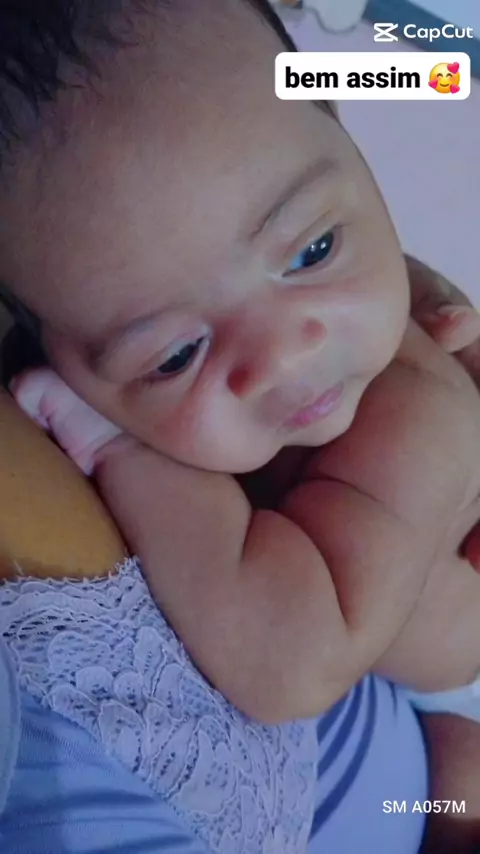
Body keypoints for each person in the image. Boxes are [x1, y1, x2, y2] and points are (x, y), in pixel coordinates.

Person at [0, 1, 480, 851]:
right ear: (45, 349)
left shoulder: (416, 419)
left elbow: (286, 659)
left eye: (313, 251)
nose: (289, 358)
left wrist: (121, 451)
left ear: (347, 135)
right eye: (175, 355)